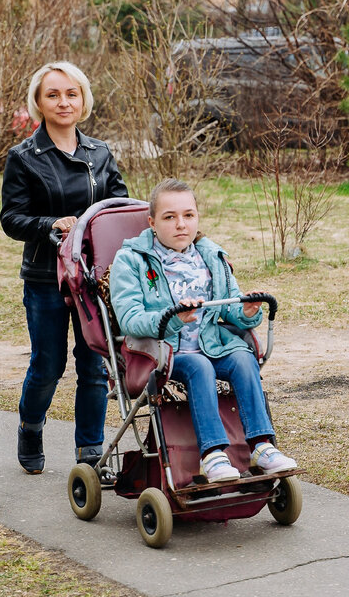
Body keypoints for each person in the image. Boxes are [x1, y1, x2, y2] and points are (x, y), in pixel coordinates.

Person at [107, 178, 298, 482]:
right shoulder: (131, 260)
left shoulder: (211, 255)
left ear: (197, 217)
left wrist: (247, 312)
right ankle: (212, 455)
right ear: (152, 222)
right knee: (198, 366)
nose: (181, 224)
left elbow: (229, 309)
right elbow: (130, 318)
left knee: (242, 356)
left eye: (188, 215)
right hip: (161, 350)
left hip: (210, 344)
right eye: (170, 217)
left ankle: (262, 446)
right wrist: (172, 318)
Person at [0, 61, 128, 474]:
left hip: (93, 278)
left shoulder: (100, 153)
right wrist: (49, 225)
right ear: (38, 102)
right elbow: (11, 219)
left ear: (83, 99)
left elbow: (121, 207)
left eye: (71, 93)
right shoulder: (23, 157)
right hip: (45, 278)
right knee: (48, 365)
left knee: (94, 364)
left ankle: (90, 451)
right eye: (53, 94)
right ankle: (30, 425)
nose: (63, 102)